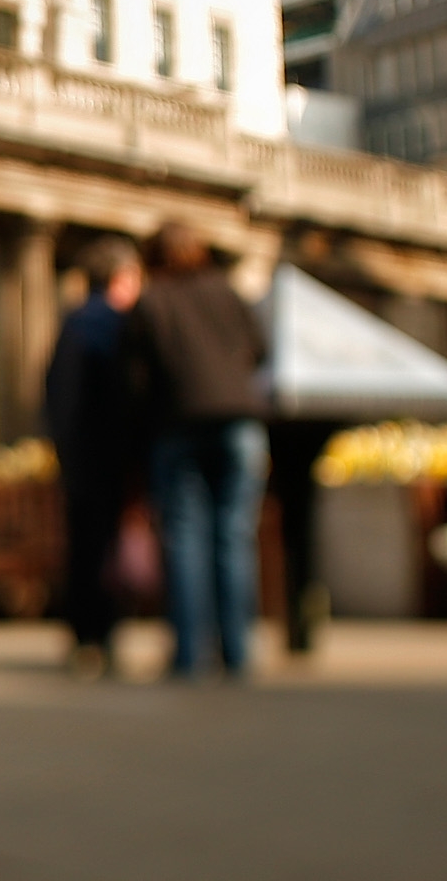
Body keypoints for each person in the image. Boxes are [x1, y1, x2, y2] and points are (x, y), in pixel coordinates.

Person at [127, 224, 267, 680]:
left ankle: (189, 654)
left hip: (179, 425)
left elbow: (135, 378)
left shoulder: (152, 301)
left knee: (185, 538)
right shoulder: (227, 292)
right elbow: (261, 349)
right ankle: (238, 652)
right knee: (234, 536)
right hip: (238, 422)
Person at [42, 235, 143, 679]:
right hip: (109, 453)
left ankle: (85, 639)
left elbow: (54, 393)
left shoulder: (74, 322)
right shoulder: (119, 324)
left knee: (83, 549)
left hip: (78, 453)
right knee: (105, 551)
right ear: (123, 278)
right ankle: (101, 635)